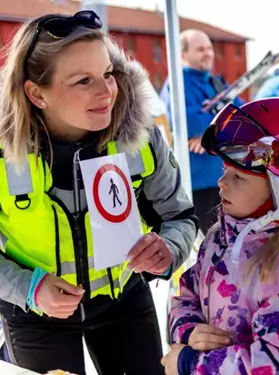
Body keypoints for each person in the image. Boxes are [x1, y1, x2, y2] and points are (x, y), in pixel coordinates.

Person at [0, 10, 196, 375]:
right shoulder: (2, 153)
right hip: (34, 313)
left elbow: (180, 217)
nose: (106, 92)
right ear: (36, 93)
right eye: (82, 81)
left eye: (108, 74)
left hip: (124, 302)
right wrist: (30, 288)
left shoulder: (139, 137)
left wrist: (169, 248)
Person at [162, 97, 279, 375]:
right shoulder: (219, 238)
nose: (222, 182)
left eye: (239, 177)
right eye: (225, 170)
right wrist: (189, 330)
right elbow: (187, 292)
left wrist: (190, 365)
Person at [161, 29, 244, 235]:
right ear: (183, 55)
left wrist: (210, 137)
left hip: (227, 176)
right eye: (200, 49)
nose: (207, 53)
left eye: (209, 48)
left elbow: (243, 117)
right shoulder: (178, 84)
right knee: (210, 244)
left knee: (232, 240)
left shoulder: (217, 83)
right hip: (198, 184)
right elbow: (190, 122)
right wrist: (210, 128)